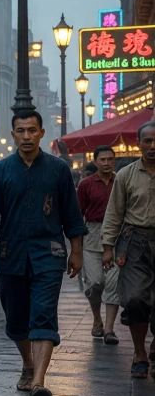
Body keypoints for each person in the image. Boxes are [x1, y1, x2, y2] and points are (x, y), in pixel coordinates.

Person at [0, 110, 84, 396]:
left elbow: (72, 215)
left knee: (44, 315)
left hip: (49, 254)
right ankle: (27, 362)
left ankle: (38, 382)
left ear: (41, 132)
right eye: (21, 131)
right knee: (16, 318)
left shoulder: (58, 170)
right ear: (13, 135)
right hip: (10, 256)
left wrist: (76, 250)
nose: (26, 136)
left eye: (32, 130)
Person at [101, 123, 155, 378]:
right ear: (139, 144)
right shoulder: (125, 175)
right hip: (134, 243)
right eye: (147, 141)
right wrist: (107, 247)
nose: (152, 146)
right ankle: (139, 353)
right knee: (134, 300)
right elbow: (114, 213)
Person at [79, 146, 121, 344]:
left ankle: (110, 329)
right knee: (95, 283)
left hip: (118, 235)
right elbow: (78, 214)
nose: (106, 163)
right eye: (102, 159)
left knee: (113, 283)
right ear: (95, 162)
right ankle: (97, 318)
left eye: (110, 159)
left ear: (114, 161)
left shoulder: (121, 181)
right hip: (92, 234)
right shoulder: (86, 184)